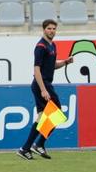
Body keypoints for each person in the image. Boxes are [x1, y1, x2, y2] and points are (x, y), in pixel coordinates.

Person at [16, 18, 75, 160]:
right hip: (42, 84)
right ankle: (34, 145)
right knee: (57, 114)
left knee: (44, 116)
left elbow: (52, 65)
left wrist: (65, 62)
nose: (52, 31)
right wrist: (43, 89)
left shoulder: (52, 45)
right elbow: (36, 70)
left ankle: (29, 147)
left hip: (46, 84)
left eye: (54, 28)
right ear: (43, 30)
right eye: (49, 28)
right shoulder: (40, 47)